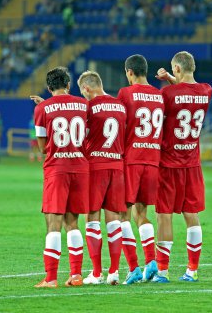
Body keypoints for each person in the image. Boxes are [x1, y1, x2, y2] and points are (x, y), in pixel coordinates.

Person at [152, 51, 212, 282]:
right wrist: (170, 76)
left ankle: (163, 271)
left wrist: (168, 79)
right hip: (192, 164)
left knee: (164, 216)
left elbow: (177, 95)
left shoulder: (167, 93)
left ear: (177, 68)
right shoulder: (206, 91)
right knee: (191, 215)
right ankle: (192, 270)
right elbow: (189, 91)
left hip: (168, 162)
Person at [32, 67, 89, 288]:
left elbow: (43, 148)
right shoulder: (84, 105)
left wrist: (44, 109)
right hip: (80, 168)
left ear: (48, 88)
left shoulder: (42, 108)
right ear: (68, 85)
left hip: (57, 169)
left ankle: (51, 277)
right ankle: (76, 275)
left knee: (53, 223)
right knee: (72, 222)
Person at [116, 54, 164, 284]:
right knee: (142, 213)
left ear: (130, 72)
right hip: (152, 160)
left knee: (121, 214)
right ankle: (152, 261)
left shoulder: (125, 94)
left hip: (131, 159)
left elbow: (119, 124)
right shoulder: (159, 95)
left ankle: (134, 267)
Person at [77, 71, 127, 286]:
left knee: (92, 218)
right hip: (117, 166)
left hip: (95, 165)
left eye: (82, 91)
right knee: (114, 219)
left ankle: (96, 273)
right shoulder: (120, 106)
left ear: (87, 88)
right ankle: (114, 272)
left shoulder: (89, 108)